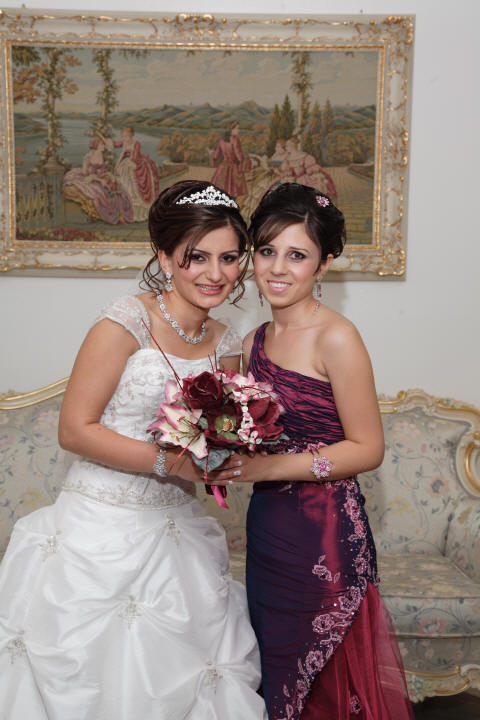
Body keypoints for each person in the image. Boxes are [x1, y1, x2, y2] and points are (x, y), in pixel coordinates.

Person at [0, 180, 267, 720]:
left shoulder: (227, 344)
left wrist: (225, 455)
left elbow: (222, 435)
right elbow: (75, 430)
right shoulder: (124, 322)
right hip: (97, 526)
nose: (215, 273)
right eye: (197, 257)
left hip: (176, 530)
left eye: (228, 257)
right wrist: (174, 462)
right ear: (165, 258)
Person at [212, 184, 414, 719]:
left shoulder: (337, 337)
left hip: (325, 533)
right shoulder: (252, 342)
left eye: (297, 255)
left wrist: (269, 466)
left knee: (326, 687)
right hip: (267, 528)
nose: (278, 268)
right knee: (274, 670)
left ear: (323, 265)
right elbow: (245, 431)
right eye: (267, 250)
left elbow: (368, 448)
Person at [62, 137, 134, 224]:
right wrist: (99, 179)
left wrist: (109, 176)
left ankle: (122, 215)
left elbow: (102, 170)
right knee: (101, 194)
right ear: (97, 146)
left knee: (118, 188)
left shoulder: (101, 155)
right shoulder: (89, 156)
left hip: (99, 177)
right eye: (102, 144)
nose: (104, 146)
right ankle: (113, 216)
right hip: (90, 178)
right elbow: (85, 173)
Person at [99, 126, 160, 222]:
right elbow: (115, 144)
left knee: (134, 188)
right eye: (123, 136)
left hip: (135, 165)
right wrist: (103, 138)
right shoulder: (124, 142)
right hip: (125, 165)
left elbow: (135, 157)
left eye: (126, 136)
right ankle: (126, 210)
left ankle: (138, 214)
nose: (124, 138)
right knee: (124, 186)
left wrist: (127, 164)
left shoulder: (136, 143)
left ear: (131, 135)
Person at [209, 121, 251, 198]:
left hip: (222, 168)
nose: (239, 130)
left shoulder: (221, 140)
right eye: (237, 128)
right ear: (232, 129)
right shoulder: (235, 140)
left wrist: (211, 153)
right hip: (233, 168)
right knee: (233, 194)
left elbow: (216, 156)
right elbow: (240, 158)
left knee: (221, 193)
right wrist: (248, 160)